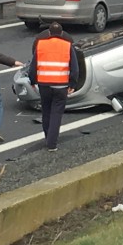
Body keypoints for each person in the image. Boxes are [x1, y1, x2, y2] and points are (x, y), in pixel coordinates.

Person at [28, 22, 79, 152]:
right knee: (56, 113)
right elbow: (75, 68)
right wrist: (72, 84)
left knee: (46, 110)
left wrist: (33, 81)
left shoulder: (41, 45)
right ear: (62, 33)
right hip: (61, 85)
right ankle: (52, 143)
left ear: (49, 33)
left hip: (44, 84)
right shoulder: (67, 46)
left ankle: (47, 137)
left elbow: (33, 67)